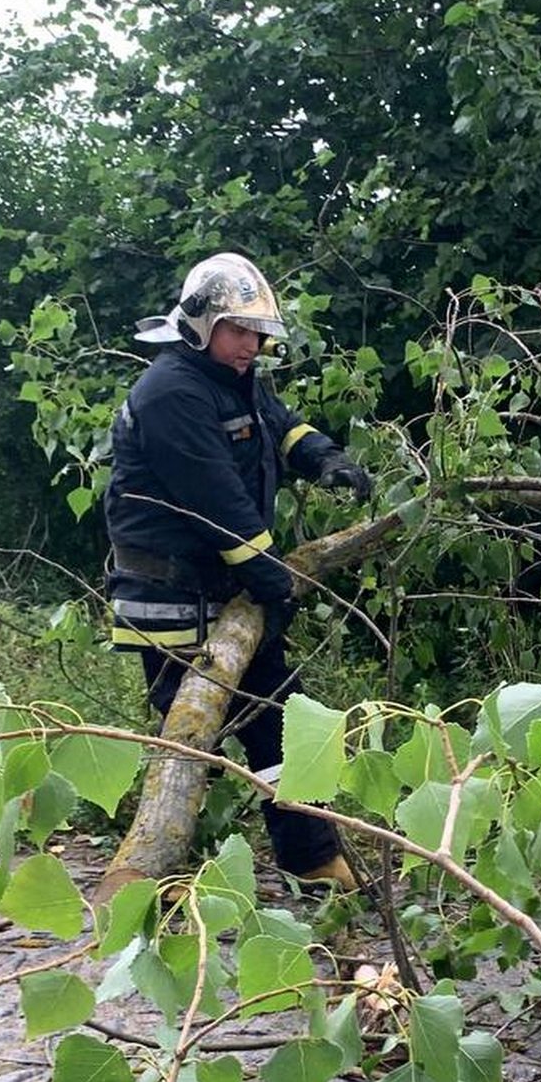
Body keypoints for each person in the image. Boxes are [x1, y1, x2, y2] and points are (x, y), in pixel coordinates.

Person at [105, 252, 374, 890]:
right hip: (170, 595)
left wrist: (326, 460)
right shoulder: (171, 392)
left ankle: (313, 863)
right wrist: (274, 582)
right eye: (239, 331)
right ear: (201, 324)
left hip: (228, 586)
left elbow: (280, 428)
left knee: (275, 722)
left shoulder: (235, 378)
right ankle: (160, 874)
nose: (251, 345)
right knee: (193, 736)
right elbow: (216, 501)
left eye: (258, 334)